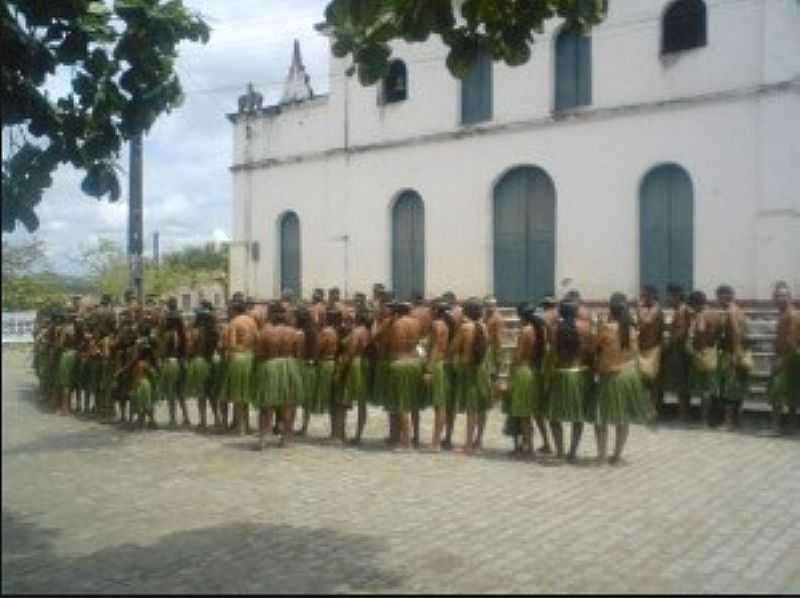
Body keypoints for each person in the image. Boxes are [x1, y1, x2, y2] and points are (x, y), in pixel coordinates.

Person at [593, 293, 655, 464]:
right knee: (623, 417)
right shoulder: (632, 329)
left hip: (611, 377)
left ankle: (601, 455)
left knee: (601, 418)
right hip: (629, 377)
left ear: (610, 310)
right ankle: (617, 455)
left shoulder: (606, 329)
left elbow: (595, 348)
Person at [548, 300, 595, 462]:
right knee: (578, 416)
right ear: (576, 312)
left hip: (561, 374)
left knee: (554, 417)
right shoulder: (586, 328)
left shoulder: (554, 330)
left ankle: (560, 452)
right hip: (579, 374)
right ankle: (573, 453)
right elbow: (590, 351)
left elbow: (553, 353)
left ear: (560, 313)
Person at [255, 301, 301, 449]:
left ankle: (263, 438)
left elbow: (259, 354)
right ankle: (286, 438)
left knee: (266, 404)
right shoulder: (293, 332)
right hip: (289, 366)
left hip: (270, 366)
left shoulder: (265, 332)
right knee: (289, 403)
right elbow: (298, 355)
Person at [451, 299, 489, 454]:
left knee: (471, 409)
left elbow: (453, 348)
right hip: (482, 370)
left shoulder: (465, 328)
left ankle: (468, 445)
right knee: (481, 408)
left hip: (469, 370)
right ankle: (478, 441)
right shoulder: (484, 327)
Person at [508, 305, 546, 457]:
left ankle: (529, 448)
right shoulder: (540, 330)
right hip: (535, 371)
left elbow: (518, 356)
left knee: (524, 413)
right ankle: (546, 442)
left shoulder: (525, 331)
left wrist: (511, 373)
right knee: (536, 412)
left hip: (523, 371)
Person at [386, 301, 423, 450]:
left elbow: (396, 344)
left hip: (401, 362)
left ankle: (405, 441)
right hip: (415, 362)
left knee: (402, 403)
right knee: (413, 404)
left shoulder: (398, 324)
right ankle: (416, 437)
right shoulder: (417, 323)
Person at [220, 294, 258, 435]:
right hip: (249, 357)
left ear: (234, 310)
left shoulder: (234, 323)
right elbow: (257, 338)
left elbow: (231, 344)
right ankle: (246, 426)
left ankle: (240, 428)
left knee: (237, 394)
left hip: (238, 359)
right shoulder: (251, 321)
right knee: (245, 394)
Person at [715, 285, 749, 430]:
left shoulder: (731, 311)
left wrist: (735, 353)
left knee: (728, 389)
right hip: (740, 351)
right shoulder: (740, 311)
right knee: (737, 388)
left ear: (725, 296)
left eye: (718, 297)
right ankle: (739, 421)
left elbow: (735, 332)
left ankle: (728, 422)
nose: (717, 301)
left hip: (732, 353)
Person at [768, 281, 799, 434]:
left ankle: (776, 427)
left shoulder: (791, 315)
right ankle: (791, 427)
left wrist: (781, 362)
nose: (780, 298)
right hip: (787, 356)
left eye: (784, 295)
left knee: (777, 394)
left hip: (787, 358)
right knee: (790, 393)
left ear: (790, 297)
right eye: (778, 295)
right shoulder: (784, 314)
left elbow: (792, 342)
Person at [686, 290, 720, 427]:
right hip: (712, 351)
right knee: (710, 388)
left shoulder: (701, 316)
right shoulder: (715, 314)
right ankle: (711, 418)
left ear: (696, 304)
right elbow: (718, 331)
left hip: (702, 353)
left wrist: (696, 347)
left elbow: (700, 331)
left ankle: (703, 420)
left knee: (704, 389)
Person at [426, 300, 455, 451]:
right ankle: (443, 439)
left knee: (440, 405)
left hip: (438, 365)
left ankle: (435, 442)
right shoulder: (450, 325)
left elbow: (436, 346)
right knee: (444, 405)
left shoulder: (437, 324)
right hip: (447, 364)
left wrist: (429, 369)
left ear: (436, 310)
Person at [340, 309, 371, 445]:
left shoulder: (356, 332)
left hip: (355, 365)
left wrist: (341, 369)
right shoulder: (368, 332)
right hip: (365, 364)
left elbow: (351, 352)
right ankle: (358, 435)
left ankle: (342, 434)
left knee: (345, 400)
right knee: (362, 404)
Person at [158, 300, 190, 428]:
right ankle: (186, 418)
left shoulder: (166, 334)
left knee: (171, 393)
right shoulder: (182, 334)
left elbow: (162, 350)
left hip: (170, 363)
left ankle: (173, 419)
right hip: (181, 362)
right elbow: (187, 347)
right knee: (181, 392)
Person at [662, 283, 692, 422]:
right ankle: (684, 413)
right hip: (680, 350)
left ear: (676, 296)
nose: (667, 299)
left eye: (669, 296)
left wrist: (668, 345)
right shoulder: (682, 309)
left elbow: (680, 333)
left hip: (678, 351)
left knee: (680, 383)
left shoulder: (681, 311)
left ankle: (682, 415)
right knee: (682, 383)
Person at [637, 285, 665, 414]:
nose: (642, 298)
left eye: (644, 296)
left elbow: (647, 321)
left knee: (653, 380)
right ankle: (643, 408)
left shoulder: (656, 308)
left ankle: (652, 409)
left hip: (652, 349)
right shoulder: (647, 308)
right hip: (642, 348)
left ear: (650, 296)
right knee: (641, 380)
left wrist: (639, 308)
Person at [315, 309, 341, 440]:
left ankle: (335, 433)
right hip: (336, 363)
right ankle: (339, 432)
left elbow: (319, 348)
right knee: (337, 400)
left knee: (332, 400)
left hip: (326, 364)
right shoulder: (340, 330)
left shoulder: (326, 332)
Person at [294, 306, 319, 436]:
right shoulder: (314, 333)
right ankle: (304, 427)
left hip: (299, 367)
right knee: (307, 401)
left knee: (292, 398)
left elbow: (297, 353)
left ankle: (287, 426)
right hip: (310, 368)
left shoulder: (298, 333)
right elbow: (316, 354)